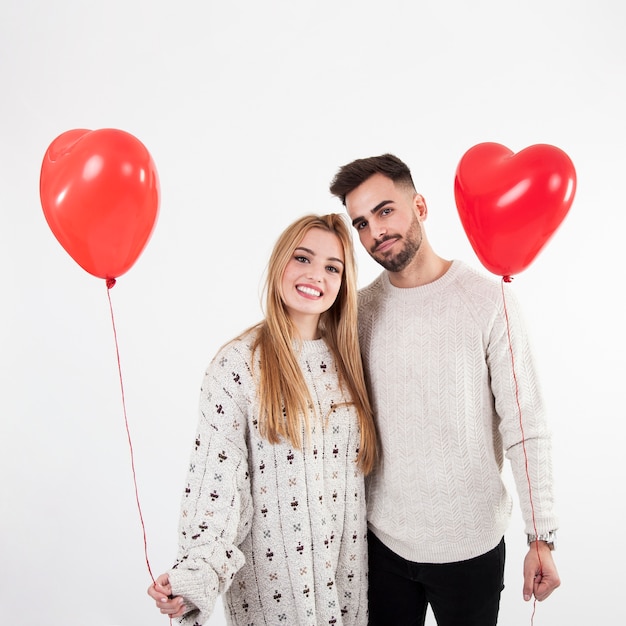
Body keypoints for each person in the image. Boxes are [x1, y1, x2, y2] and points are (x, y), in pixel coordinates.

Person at [328, 153, 560, 626]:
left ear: (420, 205)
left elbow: (525, 423)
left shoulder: (487, 299)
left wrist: (541, 536)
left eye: (386, 210)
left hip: (470, 545)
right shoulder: (359, 312)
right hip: (383, 544)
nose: (376, 232)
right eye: (361, 223)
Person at [147, 213, 377, 626]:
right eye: (302, 258)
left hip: (349, 592)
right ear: (279, 264)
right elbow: (216, 484)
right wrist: (195, 578)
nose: (315, 276)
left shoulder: (351, 363)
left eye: (332, 267)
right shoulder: (239, 365)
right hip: (275, 599)